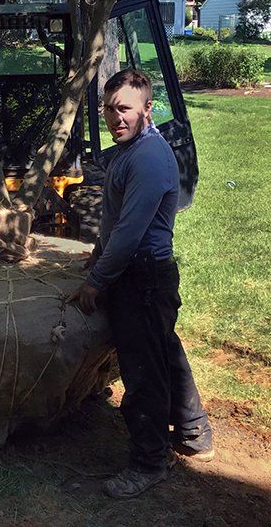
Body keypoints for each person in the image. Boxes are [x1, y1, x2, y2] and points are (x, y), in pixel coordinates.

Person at [68, 69, 213, 499]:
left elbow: (130, 233)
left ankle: (149, 462)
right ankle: (193, 431)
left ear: (147, 109)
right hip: (145, 274)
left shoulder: (148, 157)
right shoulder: (129, 150)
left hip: (143, 277)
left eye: (125, 109)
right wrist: (98, 252)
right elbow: (115, 219)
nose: (116, 118)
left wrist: (96, 280)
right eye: (109, 109)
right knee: (164, 350)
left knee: (143, 371)